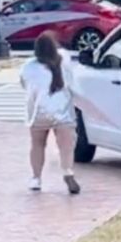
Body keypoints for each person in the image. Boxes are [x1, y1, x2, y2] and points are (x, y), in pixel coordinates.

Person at [20, 31, 81, 194]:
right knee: (66, 147)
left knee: (38, 145)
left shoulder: (29, 66)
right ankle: (68, 171)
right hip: (63, 112)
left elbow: (24, 84)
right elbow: (72, 80)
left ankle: (36, 179)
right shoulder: (64, 59)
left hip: (39, 112)